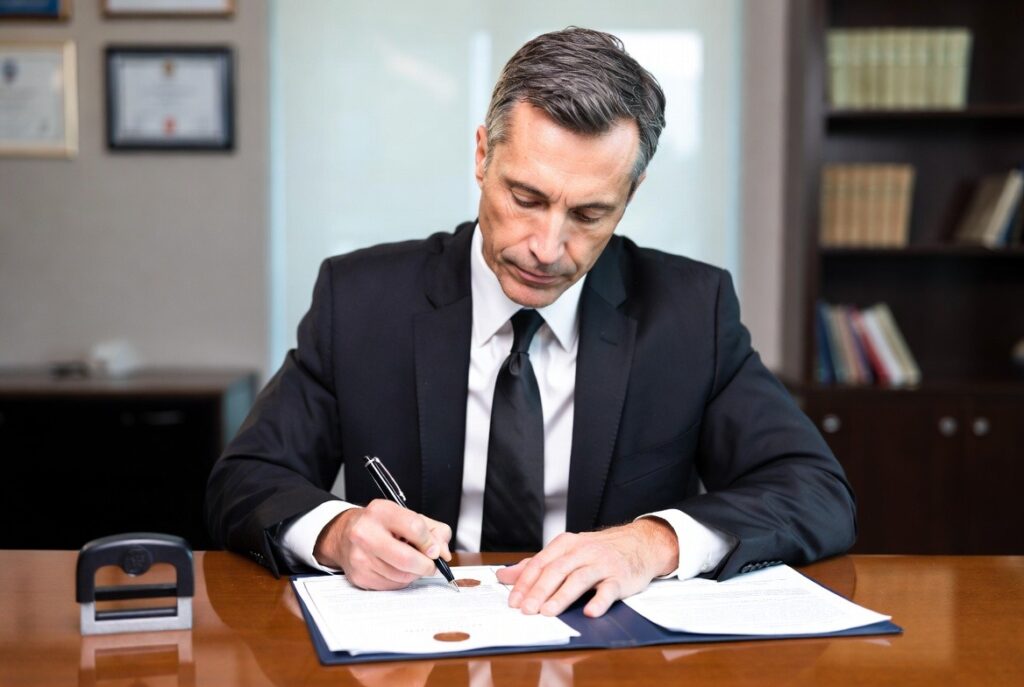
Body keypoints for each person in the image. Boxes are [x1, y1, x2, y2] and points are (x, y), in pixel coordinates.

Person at [206, 27, 855, 620]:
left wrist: (650, 543)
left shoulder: (691, 313)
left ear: (630, 196)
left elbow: (817, 491)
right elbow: (245, 479)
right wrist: (337, 532)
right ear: (483, 155)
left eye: (589, 214)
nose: (547, 246)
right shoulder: (361, 301)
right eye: (526, 198)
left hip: (610, 655)